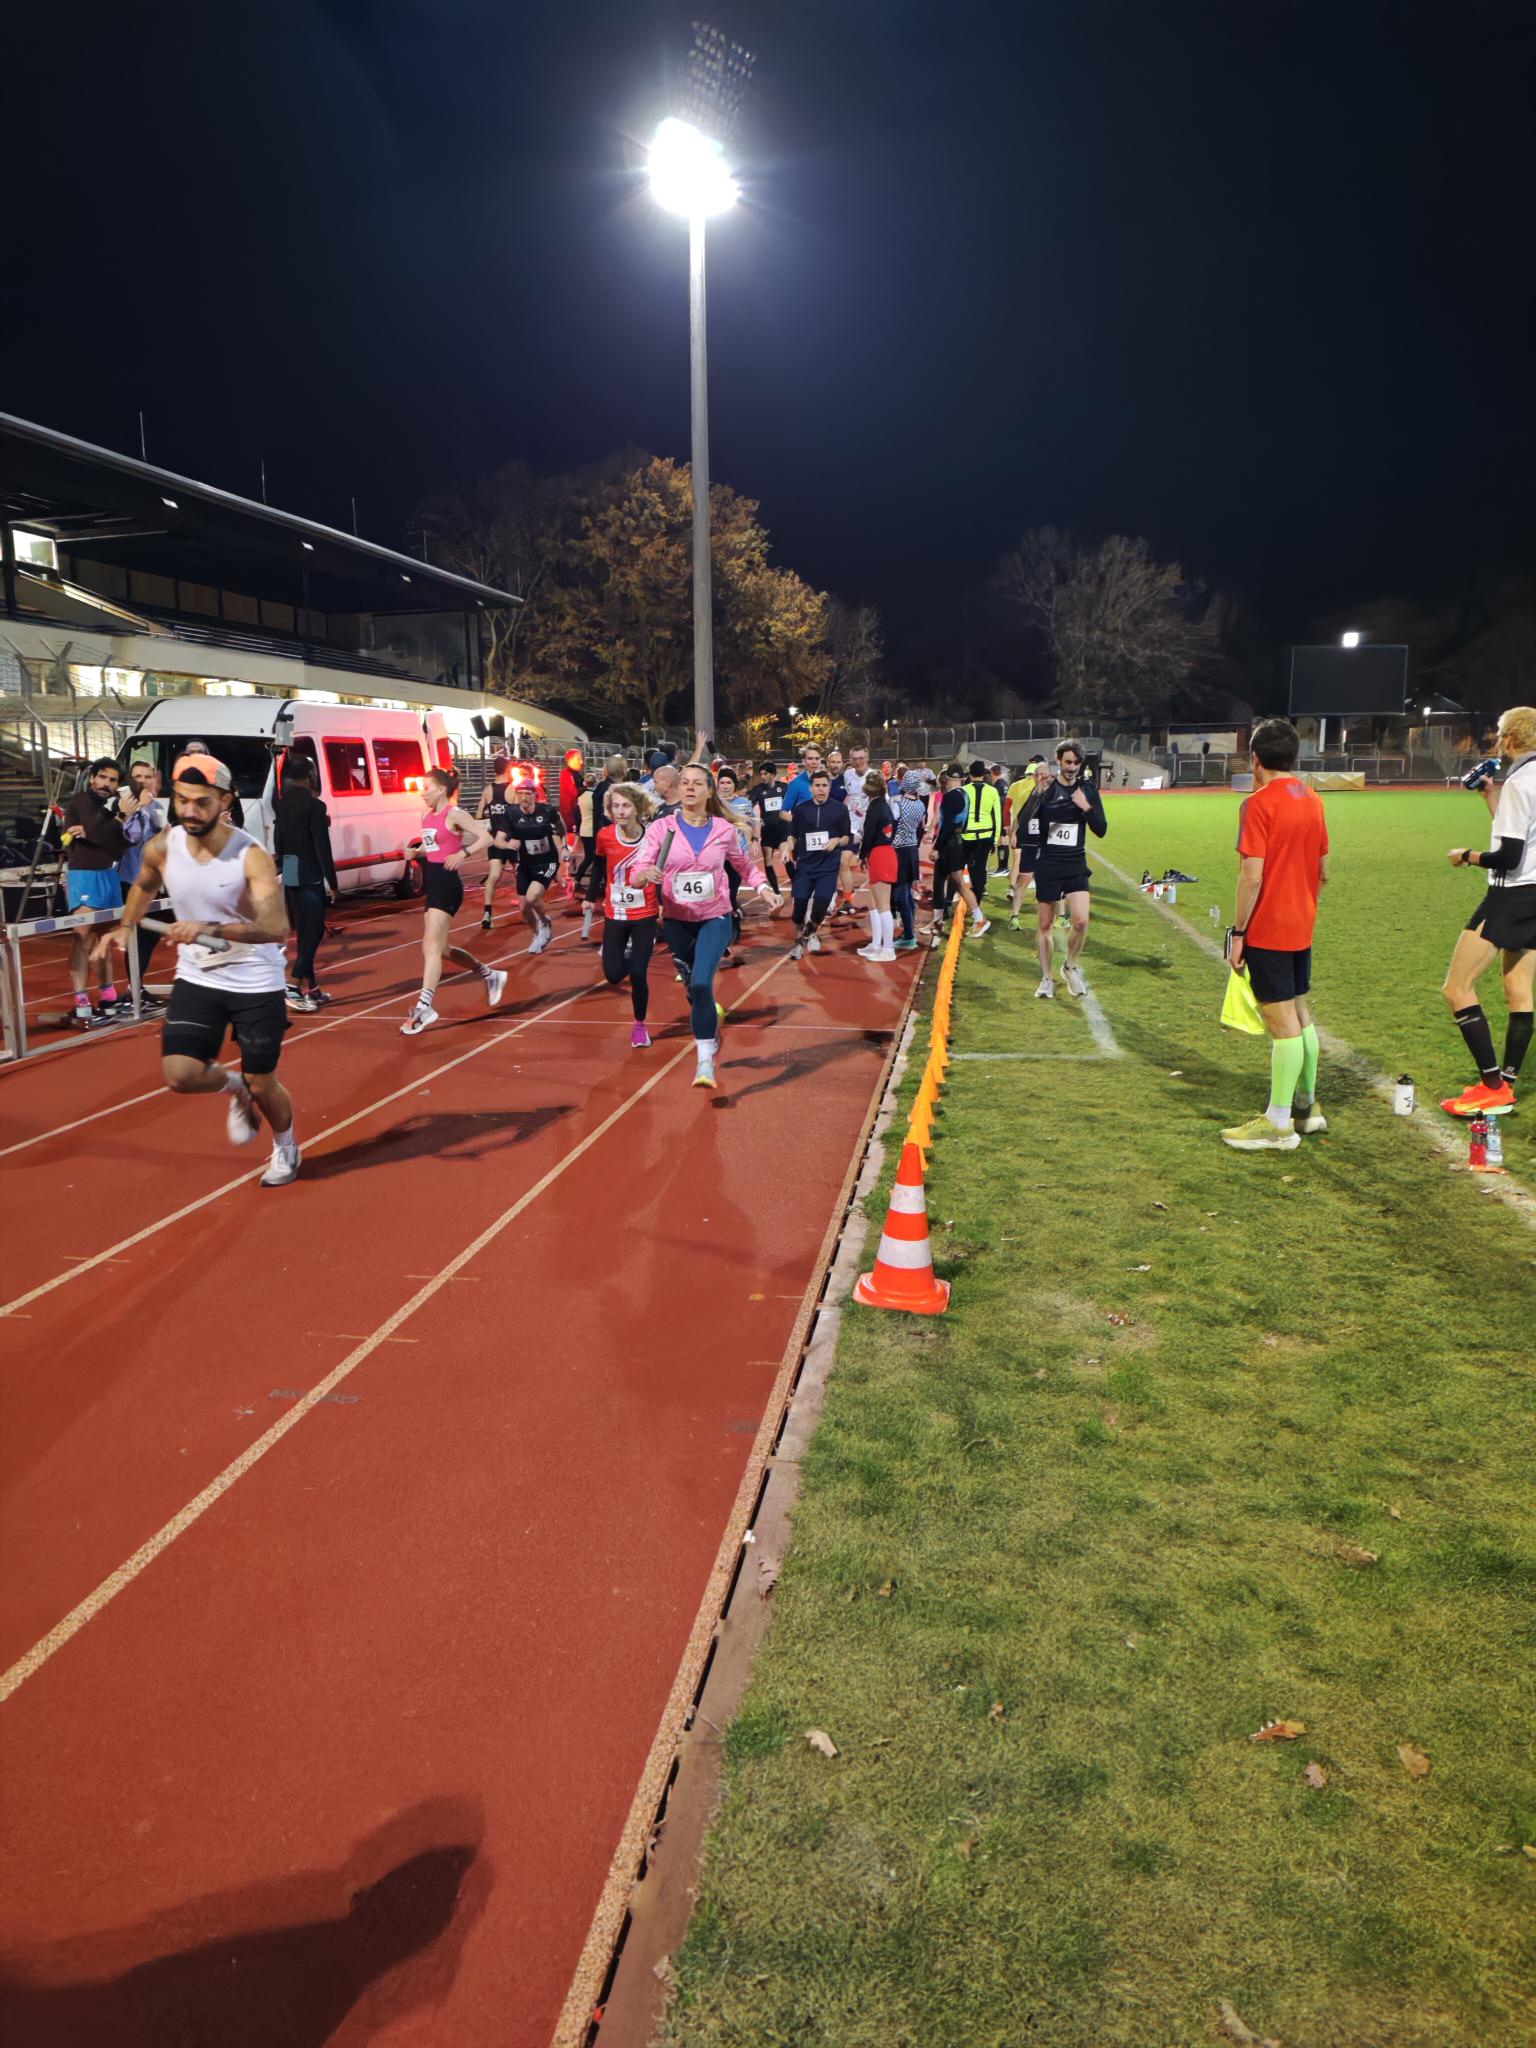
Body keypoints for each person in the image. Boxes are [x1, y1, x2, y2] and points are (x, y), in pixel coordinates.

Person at [94, 753, 302, 1187]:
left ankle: (286, 1145)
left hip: (254, 978)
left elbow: (276, 927)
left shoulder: (250, 856)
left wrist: (208, 927)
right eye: (182, 800)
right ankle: (234, 1087)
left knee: (263, 1081)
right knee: (181, 1075)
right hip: (198, 975)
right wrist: (125, 925)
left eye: (202, 802)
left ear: (225, 800)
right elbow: (145, 883)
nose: (189, 811)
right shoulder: (162, 846)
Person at [1220, 718, 1329, 1152]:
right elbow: (1323, 870)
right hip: (1302, 924)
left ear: (1255, 759)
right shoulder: (1313, 799)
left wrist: (1238, 933)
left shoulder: (1257, 804)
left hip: (1269, 927)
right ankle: (1307, 1108)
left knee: (1283, 1026)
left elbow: (1252, 876)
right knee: (1300, 1015)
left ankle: (1278, 1125)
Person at [632, 762, 778, 1088]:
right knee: (692, 988)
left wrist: (764, 889)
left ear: (709, 790)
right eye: (685, 782)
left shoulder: (723, 830)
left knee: (701, 983)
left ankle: (704, 1061)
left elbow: (745, 866)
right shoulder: (662, 828)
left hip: (716, 916)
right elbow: (638, 870)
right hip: (677, 920)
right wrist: (644, 875)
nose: (690, 787)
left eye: (697, 783)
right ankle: (708, 1023)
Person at [1439, 704, 1536, 1117]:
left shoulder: (1521, 782)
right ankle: (1506, 1083)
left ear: (1511, 736)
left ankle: (1492, 1086)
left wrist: (1467, 855)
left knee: (1456, 988)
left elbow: (1508, 857)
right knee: (1519, 989)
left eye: (1500, 732)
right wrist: (1490, 796)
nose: (1496, 739)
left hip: (1510, 896)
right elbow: (1522, 836)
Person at [399, 765, 508, 1035]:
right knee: (441, 949)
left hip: (448, 885)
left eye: (426, 788)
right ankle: (490, 975)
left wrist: (463, 853)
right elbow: (433, 848)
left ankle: (425, 1006)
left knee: (431, 948)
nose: (422, 793)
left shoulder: (455, 813)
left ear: (441, 789)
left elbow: (486, 837)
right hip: (433, 883)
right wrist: (417, 853)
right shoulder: (427, 817)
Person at [1031, 740, 1105, 997]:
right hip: (1049, 864)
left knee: (1081, 921)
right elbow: (1026, 822)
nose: (1072, 767)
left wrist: (1086, 807)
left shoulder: (1088, 790)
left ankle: (1070, 967)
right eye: (1067, 762)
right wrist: (1037, 795)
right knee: (1045, 926)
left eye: (1076, 762)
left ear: (1081, 764)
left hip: (1075, 864)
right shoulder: (1047, 788)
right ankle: (1046, 978)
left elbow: (1101, 829)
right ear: (1058, 762)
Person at [61, 757, 128, 1025]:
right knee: (83, 937)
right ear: (92, 778)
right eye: (103, 777)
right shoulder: (81, 801)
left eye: (113, 780)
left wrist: (95, 832)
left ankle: (108, 995)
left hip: (108, 875)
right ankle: (81, 998)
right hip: (84, 876)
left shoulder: (111, 808)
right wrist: (110, 825)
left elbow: (118, 846)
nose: (106, 784)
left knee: (104, 938)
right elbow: (101, 831)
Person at [272, 754, 338, 1012]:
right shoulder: (315, 806)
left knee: (303, 929)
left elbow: (278, 840)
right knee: (315, 929)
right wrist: (332, 881)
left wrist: (283, 864)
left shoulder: (281, 803)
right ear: (310, 777)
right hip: (310, 871)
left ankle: (311, 987)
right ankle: (293, 982)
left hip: (291, 867)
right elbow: (322, 846)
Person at [596, 782, 660, 1047]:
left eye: (626, 805)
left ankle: (639, 1025)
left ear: (637, 808)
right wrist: (589, 898)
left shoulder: (651, 838)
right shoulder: (605, 835)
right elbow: (599, 866)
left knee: (638, 973)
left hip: (645, 912)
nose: (620, 811)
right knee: (612, 975)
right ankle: (626, 955)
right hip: (615, 912)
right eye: (615, 806)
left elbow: (662, 871)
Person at [492, 777, 567, 954]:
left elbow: (562, 828)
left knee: (533, 897)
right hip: (525, 863)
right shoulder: (511, 813)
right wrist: (508, 844)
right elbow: (498, 840)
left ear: (535, 795)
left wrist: (564, 847)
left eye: (527, 793)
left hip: (546, 861)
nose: (523, 797)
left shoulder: (547, 811)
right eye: (520, 793)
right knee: (524, 907)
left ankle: (545, 921)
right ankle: (537, 935)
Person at [118, 761, 169, 1012]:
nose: (143, 780)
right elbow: (132, 836)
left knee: (150, 935)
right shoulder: (124, 805)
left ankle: (135, 987)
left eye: (148, 776)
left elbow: (161, 837)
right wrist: (142, 808)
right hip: (131, 881)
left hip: (154, 881)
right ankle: (133, 991)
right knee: (138, 937)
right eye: (138, 776)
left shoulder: (156, 806)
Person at [785, 768, 851, 959]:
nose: (821, 789)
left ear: (829, 787)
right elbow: (792, 835)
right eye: (817, 786)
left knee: (821, 907)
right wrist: (788, 846)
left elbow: (847, 837)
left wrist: (837, 841)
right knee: (798, 910)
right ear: (811, 788)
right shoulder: (800, 810)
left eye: (824, 785)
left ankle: (807, 934)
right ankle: (800, 940)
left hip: (828, 868)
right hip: (805, 867)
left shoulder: (840, 809)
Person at [932, 764, 988, 943]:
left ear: (948, 778)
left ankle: (979, 919)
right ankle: (938, 922)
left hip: (950, 844)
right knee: (948, 881)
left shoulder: (951, 796)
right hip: (957, 842)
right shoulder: (964, 794)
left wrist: (936, 847)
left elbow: (948, 825)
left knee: (951, 882)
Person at [581, 754, 630, 942]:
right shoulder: (620, 790)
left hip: (603, 840)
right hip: (618, 842)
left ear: (606, 771)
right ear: (624, 770)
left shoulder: (600, 789)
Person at [714, 765, 759, 954]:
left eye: (729, 782)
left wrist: (753, 840)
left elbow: (752, 823)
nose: (725, 786)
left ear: (734, 785)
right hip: (716, 857)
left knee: (730, 894)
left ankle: (732, 923)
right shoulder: (712, 804)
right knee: (717, 895)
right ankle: (722, 935)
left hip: (736, 856)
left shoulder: (744, 803)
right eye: (722, 782)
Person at [857, 769, 899, 962]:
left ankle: (888, 949)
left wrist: (861, 855)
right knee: (874, 903)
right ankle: (876, 944)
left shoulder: (876, 808)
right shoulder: (884, 806)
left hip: (880, 854)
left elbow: (869, 835)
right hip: (884, 853)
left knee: (882, 906)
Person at [1008, 760, 1050, 929]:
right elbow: (1021, 815)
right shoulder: (1033, 792)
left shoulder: (1055, 792)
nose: (1039, 778)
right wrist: (1013, 833)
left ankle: (1059, 916)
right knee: (1024, 879)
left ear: (1049, 775)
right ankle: (1014, 917)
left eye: (1042, 775)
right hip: (1030, 844)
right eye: (1036, 775)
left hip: (1047, 846)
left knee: (1052, 881)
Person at [477, 753, 515, 931]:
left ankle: (487, 912)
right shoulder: (512, 789)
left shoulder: (487, 790)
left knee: (493, 876)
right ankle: (528, 908)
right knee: (521, 873)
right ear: (507, 769)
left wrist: (491, 815)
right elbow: (518, 814)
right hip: (511, 838)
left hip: (494, 838)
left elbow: (478, 815)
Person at [890, 769, 928, 951]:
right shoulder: (920, 805)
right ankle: (908, 932)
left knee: (900, 894)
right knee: (905, 893)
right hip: (912, 850)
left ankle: (909, 936)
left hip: (899, 851)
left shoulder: (898, 803)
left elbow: (892, 825)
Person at [958, 758, 1003, 910]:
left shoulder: (964, 790)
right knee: (980, 868)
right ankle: (976, 903)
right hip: (986, 835)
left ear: (970, 775)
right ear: (984, 775)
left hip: (967, 835)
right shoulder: (992, 791)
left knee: (960, 868)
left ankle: (954, 900)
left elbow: (961, 814)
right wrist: (995, 839)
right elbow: (997, 817)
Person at [836, 744, 872, 915]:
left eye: (861, 758)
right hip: (850, 827)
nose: (858, 762)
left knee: (872, 867)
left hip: (869, 828)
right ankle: (848, 901)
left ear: (867, 758)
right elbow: (847, 796)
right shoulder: (848, 775)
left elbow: (882, 802)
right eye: (855, 759)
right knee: (843, 861)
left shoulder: (874, 776)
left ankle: (886, 904)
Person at [750, 759, 793, 891]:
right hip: (767, 831)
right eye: (761, 774)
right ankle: (776, 892)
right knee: (767, 862)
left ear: (773, 774)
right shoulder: (758, 790)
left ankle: (797, 886)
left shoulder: (784, 788)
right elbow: (747, 806)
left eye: (765, 774)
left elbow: (795, 802)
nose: (762, 776)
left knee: (786, 858)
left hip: (782, 830)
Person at [781, 744, 825, 812]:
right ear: (803, 761)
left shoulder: (827, 781)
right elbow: (783, 812)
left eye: (817, 758)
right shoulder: (795, 783)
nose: (814, 762)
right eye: (810, 758)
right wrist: (800, 819)